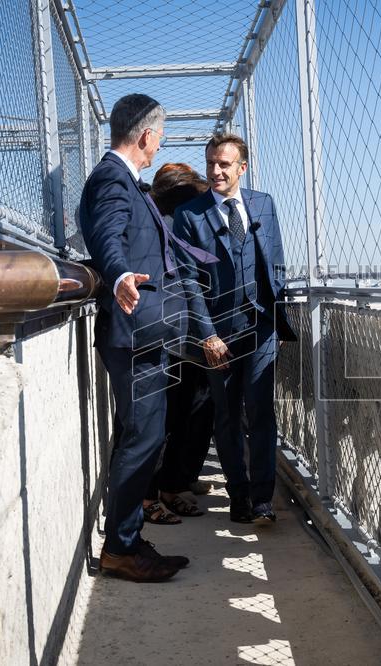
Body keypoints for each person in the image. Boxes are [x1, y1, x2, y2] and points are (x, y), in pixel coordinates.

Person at [78, 94, 216, 582]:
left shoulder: (125, 182)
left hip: (147, 334)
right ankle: (120, 549)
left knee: (146, 435)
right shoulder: (112, 180)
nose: (160, 146)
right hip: (135, 333)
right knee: (142, 437)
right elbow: (106, 236)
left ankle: (128, 539)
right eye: (160, 136)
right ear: (145, 136)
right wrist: (117, 276)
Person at [174, 133, 296, 525]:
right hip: (218, 335)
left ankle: (263, 499)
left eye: (224, 164)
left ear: (242, 168)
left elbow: (275, 262)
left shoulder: (264, 204)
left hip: (260, 327)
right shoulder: (189, 216)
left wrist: (276, 317)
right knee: (226, 417)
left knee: (261, 412)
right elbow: (189, 280)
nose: (215, 171)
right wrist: (207, 334)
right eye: (211, 163)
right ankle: (239, 496)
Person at [141, 163, 215, 524]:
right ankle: (152, 492)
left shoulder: (176, 224)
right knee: (168, 414)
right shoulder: (161, 226)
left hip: (192, 332)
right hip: (169, 333)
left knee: (193, 406)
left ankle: (174, 482)